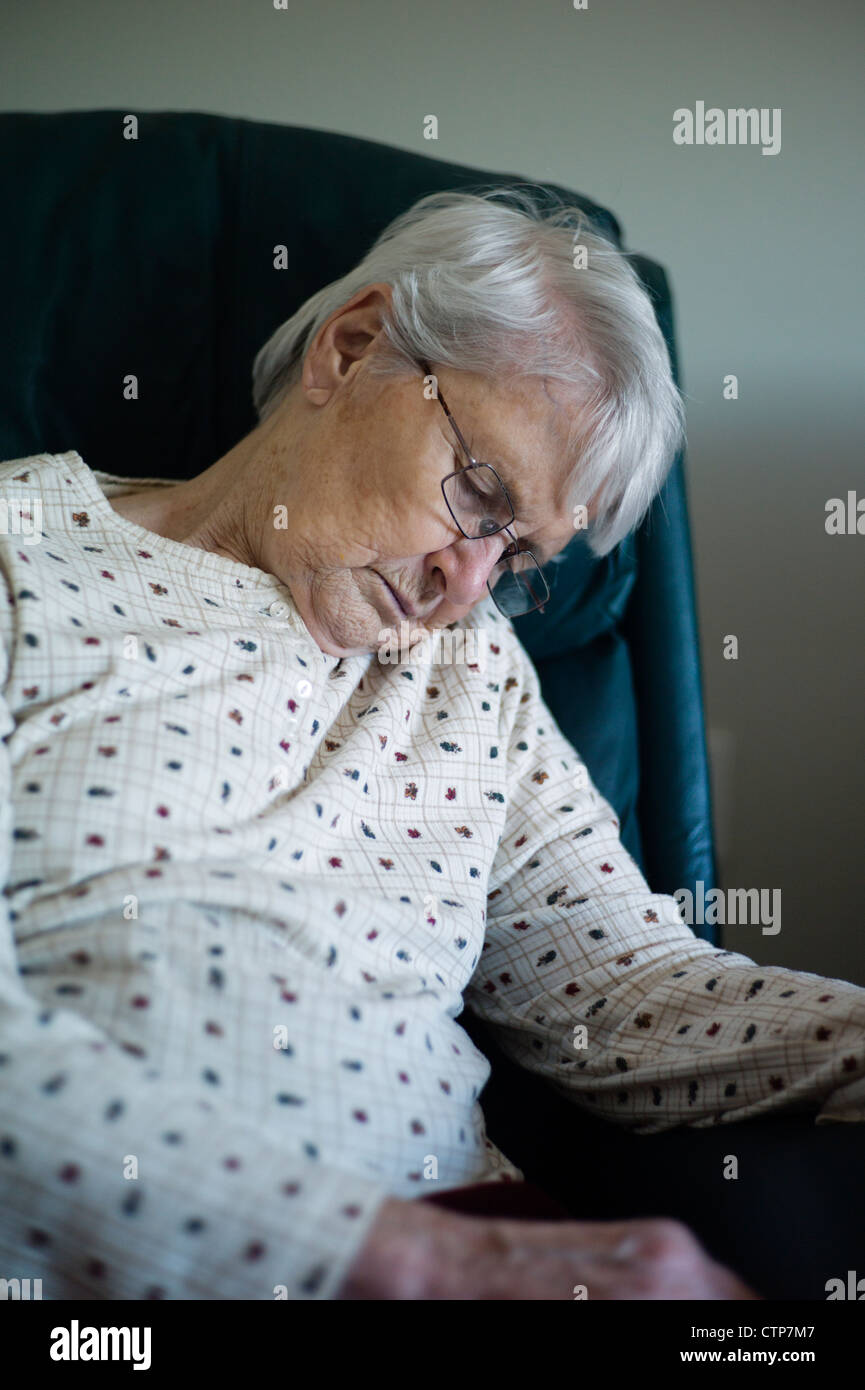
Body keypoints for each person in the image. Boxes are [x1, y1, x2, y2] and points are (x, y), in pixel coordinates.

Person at [0, 189, 862, 1302]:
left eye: (514, 555)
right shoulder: (25, 560)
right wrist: (406, 1260)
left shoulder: (474, 669)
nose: (463, 590)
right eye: (478, 493)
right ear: (352, 349)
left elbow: (628, 995)